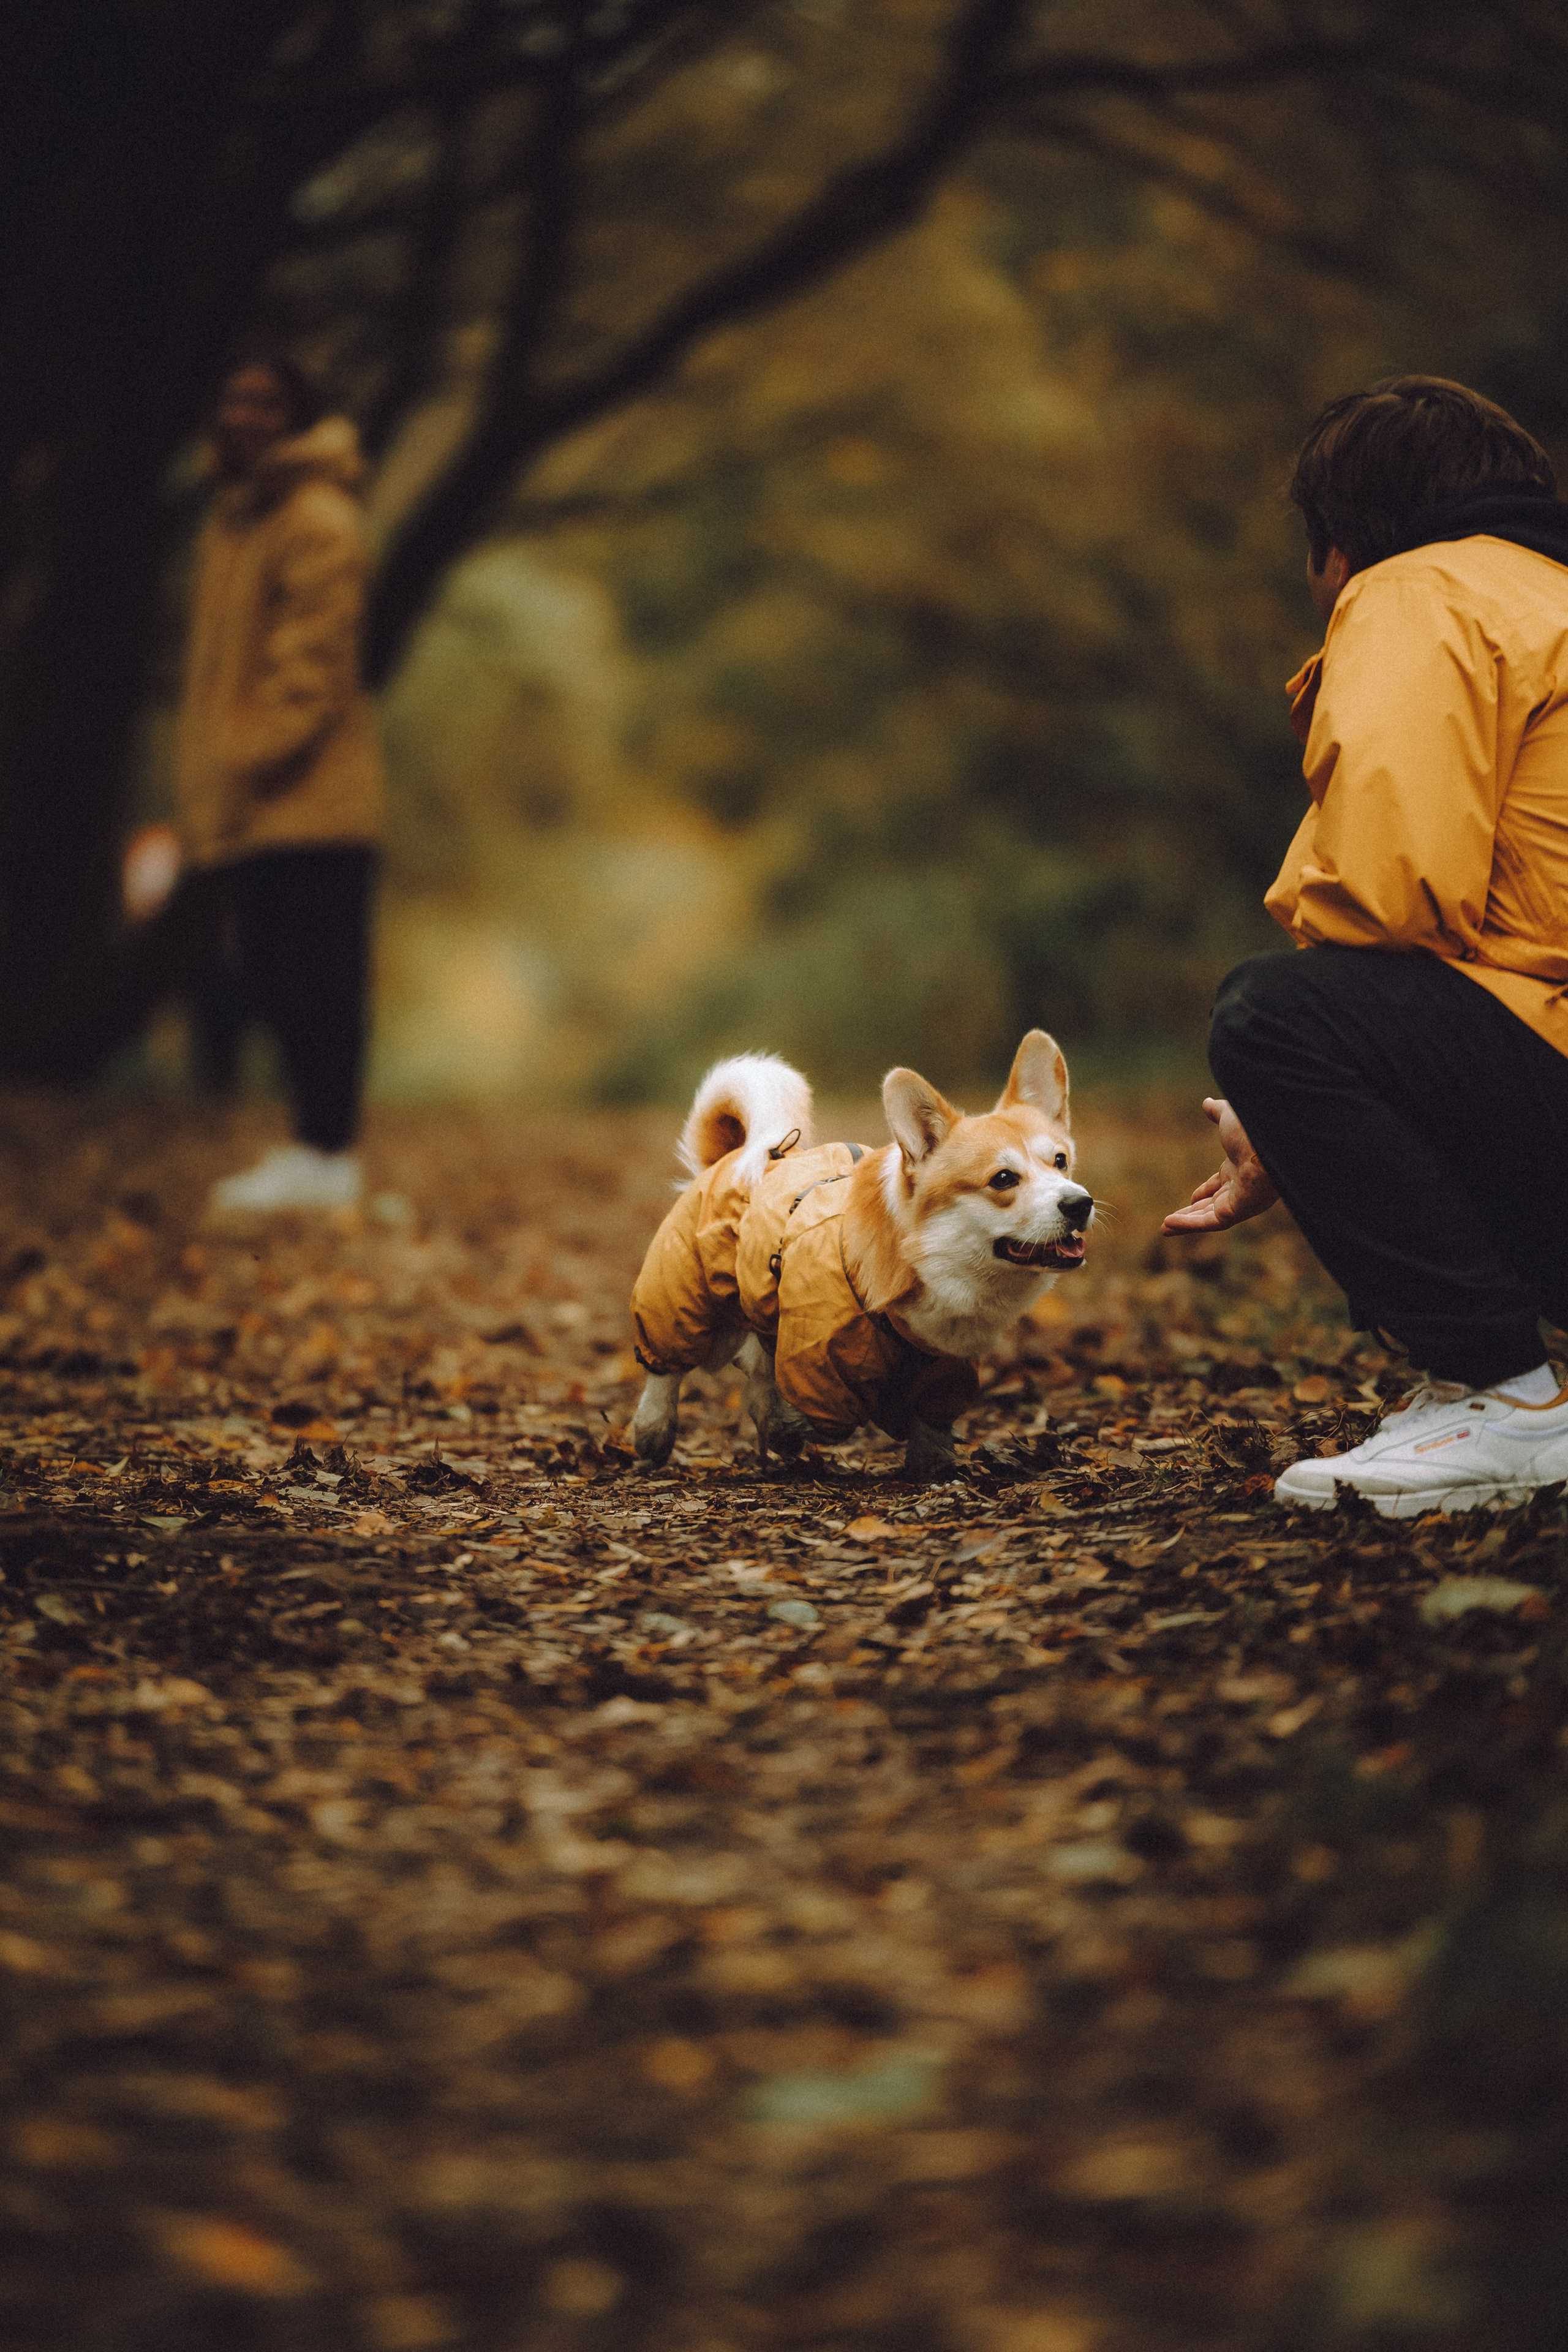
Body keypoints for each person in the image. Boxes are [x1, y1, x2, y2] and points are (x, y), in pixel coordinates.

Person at [1163, 375, 1568, 1516]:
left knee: (1279, 1017)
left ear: (1337, 542)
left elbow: (1389, 893)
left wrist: (1286, 1094)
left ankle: (1507, 1399)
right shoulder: (1549, 598)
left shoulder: (1421, 592)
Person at [175, 349, 384, 1211]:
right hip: (263, 807)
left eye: (266, 400)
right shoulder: (240, 519)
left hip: (313, 803)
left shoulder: (316, 517)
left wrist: (245, 755)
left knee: (316, 981)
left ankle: (327, 1156)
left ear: (298, 418)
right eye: (235, 397)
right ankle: (313, 1149)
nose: (246, 414)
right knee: (272, 974)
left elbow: (313, 664)